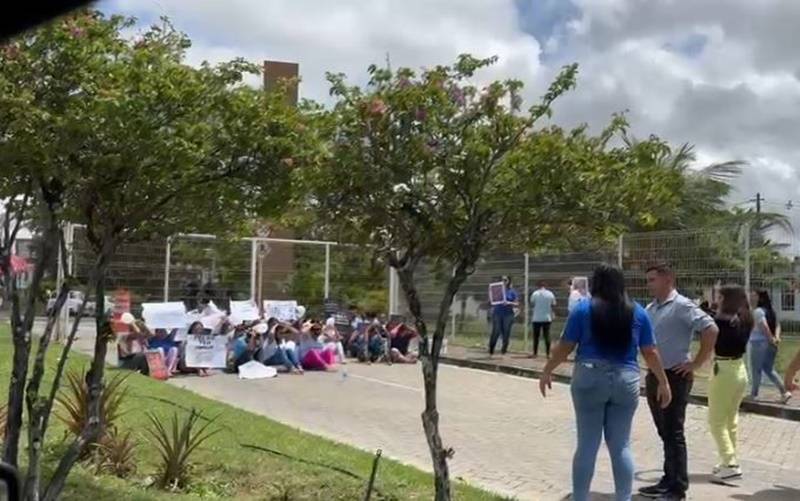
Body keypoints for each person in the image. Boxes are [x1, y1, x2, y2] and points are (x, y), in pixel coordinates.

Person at [540, 265, 671, 501]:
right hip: (626, 379)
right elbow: (650, 351)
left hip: (589, 377)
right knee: (621, 446)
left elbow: (566, 347)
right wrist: (663, 382)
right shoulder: (637, 312)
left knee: (587, 445)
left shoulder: (582, 310)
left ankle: (580, 497)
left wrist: (548, 370)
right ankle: (623, 498)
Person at [639, 263, 718, 501]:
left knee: (674, 431)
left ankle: (678, 488)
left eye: (653, 279)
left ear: (668, 280)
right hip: (655, 375)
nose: (649, 284)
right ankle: (668, 478)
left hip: (675, 376)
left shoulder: (682, 305)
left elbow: (711, 329)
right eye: (648, 279)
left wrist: (695, 363)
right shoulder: (650, 308)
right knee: (664, 430)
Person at [707, 285, 752, 482]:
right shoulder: (745, 319)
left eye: (720, 296)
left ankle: (730, 463)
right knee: (730, 419)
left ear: (725, 299)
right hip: (740, 370)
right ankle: (728, 461)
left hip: (724, 372)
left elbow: (709, 319)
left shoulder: (719, 321)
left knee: (716, 421)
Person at [748, 290, 792, 403]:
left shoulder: (758, 311)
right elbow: (777, 325)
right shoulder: (771, 310)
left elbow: (764, 326)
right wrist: (776, 338)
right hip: (771, 344)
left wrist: (770, 338)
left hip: (759, 343)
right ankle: (784, 392)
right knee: (768, 369)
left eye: (753, 296)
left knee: (756, 369)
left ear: (760, 298)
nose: (751, 298)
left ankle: (754, 394)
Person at [488, 275, 518, 356]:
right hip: (497, 314)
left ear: (508, 281)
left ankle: (504, 350)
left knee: (506, 332)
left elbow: (516, 303)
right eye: (502, 280)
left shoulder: (512, 291)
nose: (504, 281)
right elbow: (491, 301)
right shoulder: (496, 290)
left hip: (508, 314)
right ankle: (491, 349)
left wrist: (509, 303)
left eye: (505, 280)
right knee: (496, 331)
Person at [530, 281, 556, 358]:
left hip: (536, 318)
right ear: (546, 286)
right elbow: (553, 304)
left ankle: (535, 353)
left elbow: (532, 303)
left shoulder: (535, 293)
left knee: (536, 336)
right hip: (547, 318)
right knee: (547, 336)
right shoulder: (550, 294)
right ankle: (548, 354)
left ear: (538, 286)